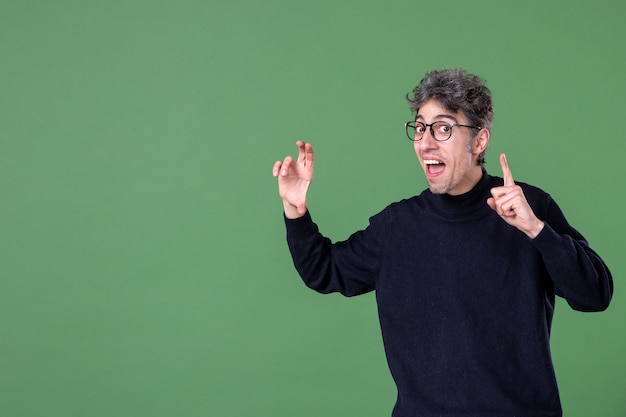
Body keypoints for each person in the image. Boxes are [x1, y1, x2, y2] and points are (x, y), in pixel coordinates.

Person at [271, 68, 613, 417]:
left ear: (479, 141)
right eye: (420, 128)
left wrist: (537, 230)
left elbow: (595, 294)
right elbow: (323, 270)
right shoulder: (396, 227)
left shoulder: (529, 207)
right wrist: (295, 210)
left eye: (443, 128)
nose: (426, 142)